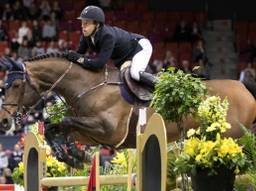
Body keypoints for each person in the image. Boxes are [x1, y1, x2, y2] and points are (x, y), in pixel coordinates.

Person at [65, 5, 157, 87]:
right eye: (82, 23)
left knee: (135, 74)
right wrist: (68, 56)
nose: (82, 26)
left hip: (139, 47)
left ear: (97, 25)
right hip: (123, 58)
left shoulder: (107, 36)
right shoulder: (86, 36)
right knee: (122, 79)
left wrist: (78, 58)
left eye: (86, 23)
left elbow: (99, 64)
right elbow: (79, 54)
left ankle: (163, 84)